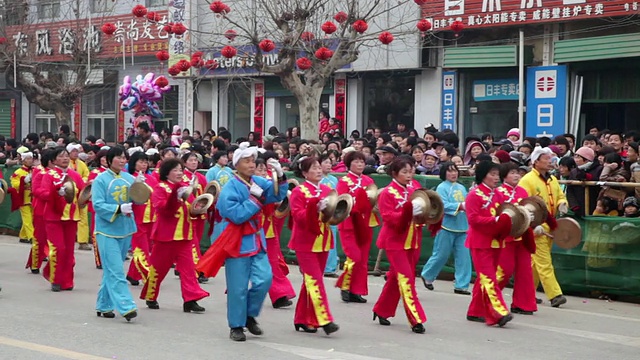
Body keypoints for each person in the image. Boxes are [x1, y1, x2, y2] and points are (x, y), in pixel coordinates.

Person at [199, 142, 288, 342]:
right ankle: (236, 325)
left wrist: (280, 176)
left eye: (252, 161)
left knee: (265, 279)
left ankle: (249, 314)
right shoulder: (230, 188)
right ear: (237, 164)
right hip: (236, 241)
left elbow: (277, 195)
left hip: (257, 239)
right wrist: (254, 200)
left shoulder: (257, 181)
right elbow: (237, 216)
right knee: (237, 287)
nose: (251, 164)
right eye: (246, 161)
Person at [139, 158, 210, 313]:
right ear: (167, 173)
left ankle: (190, 300)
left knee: (188, 270)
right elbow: (164, 211)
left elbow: (193, 208)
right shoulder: (160, 188)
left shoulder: (185, 188)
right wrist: (176, 196)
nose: (179, 173)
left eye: (180, 170)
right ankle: (150, 295)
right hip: (165, 238)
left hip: (185, 237)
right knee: (158, 269)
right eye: (175, 170)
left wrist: (202, 206)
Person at [372, 156, 427, 333]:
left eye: (411, 171)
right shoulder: (388, 193)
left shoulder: (415, 188)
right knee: (406, 279)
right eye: (404, 172)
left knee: (397, 278)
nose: (409, 175)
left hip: (413, 239)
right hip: (395, 241)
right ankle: (415, 318)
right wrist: (408, 211)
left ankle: (381, 310)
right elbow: (389, 218)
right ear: (394, 173)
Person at [288, 156, 340, 335]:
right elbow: (298, 216)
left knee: (310, 281)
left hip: (323, 241)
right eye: (314, 168)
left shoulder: (327, 189)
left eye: (319, 167)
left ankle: (301, 318)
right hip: (305, 242)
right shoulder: (299, 191)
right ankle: (324, 319)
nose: (319, 170)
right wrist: (314, 207)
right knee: (314, 280)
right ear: (304, 173)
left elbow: (333, 217)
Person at [465, 161, 514, 327]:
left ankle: (475, 311)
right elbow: (473, 219)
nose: (496, 178)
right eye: (492, 174)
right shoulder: (474, 194)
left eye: (497, 174)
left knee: (483, 278)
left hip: (496, 241)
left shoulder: (499, 195)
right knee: (489, 278)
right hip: (480, 241)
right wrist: (495, 220)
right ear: (483, 175)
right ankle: (498, 312)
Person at [519, 146, 569, 308]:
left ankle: (527, 293)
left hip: (550, 226)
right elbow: (523, 204)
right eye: (546, 159)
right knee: (544, 262)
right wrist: (532, 225)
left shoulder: (553, 179)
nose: (550, 161)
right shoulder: (527, 180)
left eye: (550, 158)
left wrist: (562, 203)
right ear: (536, 161)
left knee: (535, 264)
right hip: (536, 226)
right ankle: (555, 294)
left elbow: (560, 196)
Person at [92, 147, 138, 322]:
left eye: (124, 157)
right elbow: (97, 204)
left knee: (111, 270)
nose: (122, 160)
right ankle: (127, 306)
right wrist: (118, 209)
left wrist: (141, 187)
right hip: (106, 231)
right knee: (117, 271)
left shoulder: (129, 178)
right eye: (118, 157)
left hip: (126, 229)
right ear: (109, 160)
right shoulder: (100, 180)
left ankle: (103, 305)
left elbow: (140, 199)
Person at [420, 161, 471, 295]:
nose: (453, 173)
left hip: (463, 226)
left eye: (455, 170)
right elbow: (442, 205)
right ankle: (427, 275)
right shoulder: (441, 187)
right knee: (441, 254)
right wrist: (460, 206)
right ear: (444, 173)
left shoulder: (461, 187)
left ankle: (462, 285)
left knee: (464, 257)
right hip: (446, 226)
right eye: (449, 171)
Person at [336, 151, 379, 303]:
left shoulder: (368, 180)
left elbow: (373, 200)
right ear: (349, 164)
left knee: (363, 260)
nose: (360, 164)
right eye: (356, 161)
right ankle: (345, 286)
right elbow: (342, 202)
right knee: (354, 256)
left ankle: (357, 290)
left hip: (365, 223)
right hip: (349, 223)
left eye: (362, 161)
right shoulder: (344, 181)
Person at [496, 162, 537, 315]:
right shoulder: (499, 192)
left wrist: (534, 223)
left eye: (518, 173)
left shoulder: (523, 192)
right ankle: (488, 297)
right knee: (503, 271)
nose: (516, 175)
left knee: (525, 270)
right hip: (506, 237)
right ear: (504, 175)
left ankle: (523, 304)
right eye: (512, 173)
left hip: (523, 235)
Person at [41, 147, 85, 292]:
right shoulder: (49, 175)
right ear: (54, 160)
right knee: (58, 249)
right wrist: (55, 192)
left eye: (66, 156)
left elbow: (83, 193)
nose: (65, 158)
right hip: (54, 217)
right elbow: (42, 193)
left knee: (69, 251)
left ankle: (67, 281)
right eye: (61, 156)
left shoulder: (75, 175)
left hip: (71, 217)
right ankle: (55, 278)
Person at [259, 154, 296, 309]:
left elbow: (279, 197)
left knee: (273, 263)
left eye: (263, 169)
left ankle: (280, 294)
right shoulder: (244, 184)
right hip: (250, 231)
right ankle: (238, 290)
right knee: (248, 265)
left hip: (268, 229)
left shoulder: (269, 182)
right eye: (258, 169)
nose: (262, 172)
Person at [125, 152, 157, 286]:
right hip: (136, 219)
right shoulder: (129, 178)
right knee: (141, 248)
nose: (144, 165)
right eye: (141, 162)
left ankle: (133, 274)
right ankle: (148, 276)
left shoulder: (152, 179)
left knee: (147, 247)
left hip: (151, 218)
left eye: (145, 162)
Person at [86, 150, 108, 269]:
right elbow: (88, 187)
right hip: (98, 206)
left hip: (112, 206)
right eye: (103, 158)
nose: (105, 160)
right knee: (97, 232)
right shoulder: (95, 172)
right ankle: (99, 259)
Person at [319, 153, 340, 277]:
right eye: (326, 162)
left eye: (330, 162)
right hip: (320, 213)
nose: (329, 165)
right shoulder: (318, 180)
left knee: (332, 239)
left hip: (332, 213)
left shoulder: (334, 179)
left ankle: (330, 267)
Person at [67, 143, 91, 251]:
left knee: (83, 218)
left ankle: (83, 241)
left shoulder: (81, 164)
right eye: (73, 151)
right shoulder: (65, 164)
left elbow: (86, 174)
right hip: (69, 194)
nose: (76, 153)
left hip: (81, 194)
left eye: (77, 151)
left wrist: (84, 180)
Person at [11, 151, 35, 244]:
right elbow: (14, 185)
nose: (30, 160)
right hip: (23, 198)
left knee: (32, 218)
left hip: (32, 198)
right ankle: (32, 237)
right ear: (23, 160)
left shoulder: (34, 170)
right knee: (27, 219)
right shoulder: (18, 172)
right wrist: (24, 181)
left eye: (31, 158)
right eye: (28, 159)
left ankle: (23, 236)